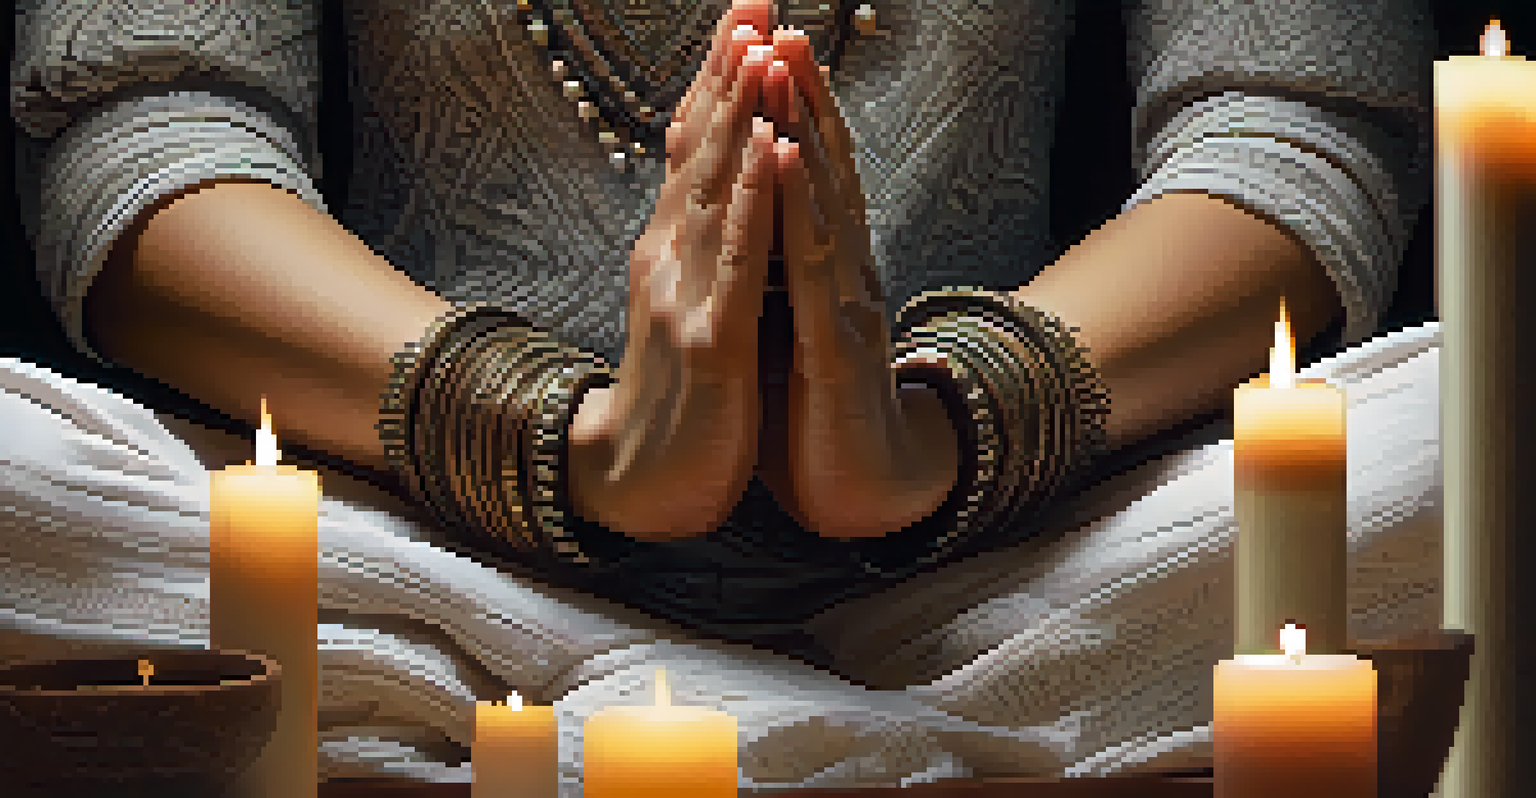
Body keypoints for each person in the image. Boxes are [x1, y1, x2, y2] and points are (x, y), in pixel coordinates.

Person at [5, 0, 1439, 784]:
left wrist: (937, 430)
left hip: (1003, 579)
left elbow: (1294, 117)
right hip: (416, 577)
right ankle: (884, 758)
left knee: (1476, 426)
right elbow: (144, 114)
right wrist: (556, 438)